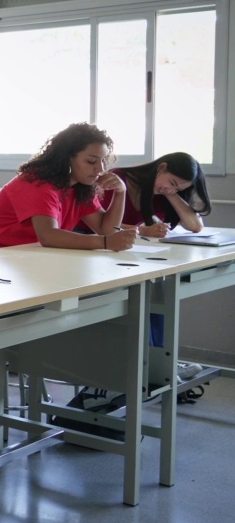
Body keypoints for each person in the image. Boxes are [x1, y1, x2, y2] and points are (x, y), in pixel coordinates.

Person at [96, 152, 211, 365]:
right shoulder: (117, 179)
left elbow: (195, 226)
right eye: (172, 183)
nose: (171, 189)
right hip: (103, 255)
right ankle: (145, 364)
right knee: (143, 302)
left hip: (134, 257)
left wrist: (171, 193)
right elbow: (97, 223)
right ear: (161, 167)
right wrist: (143, 230)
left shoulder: (163, 192)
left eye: (179, 188)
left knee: (157, 296)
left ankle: (158, 364)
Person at [0, 122, 136, 253]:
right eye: (91, 161)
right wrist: (105, 243)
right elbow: (48, 236)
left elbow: (106, 229)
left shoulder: (80, 187)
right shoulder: (37, 182)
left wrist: (121, 192)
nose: (100, 169)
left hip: (33, 257)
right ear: (67, 158)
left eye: (103, 161)